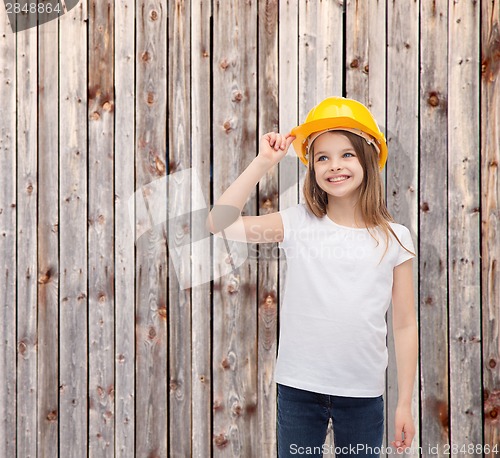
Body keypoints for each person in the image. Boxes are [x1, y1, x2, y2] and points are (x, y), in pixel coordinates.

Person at [207, 97, 418, 458]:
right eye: (322, 157)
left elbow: (404, 325)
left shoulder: (396, 237)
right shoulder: (298, 223)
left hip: (364, 394)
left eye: (346, 154)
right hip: (299, 389)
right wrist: (263, 163)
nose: (334, 166)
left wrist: (404, 404)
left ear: (368, 159)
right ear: (312, 168)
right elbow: (219, 224)